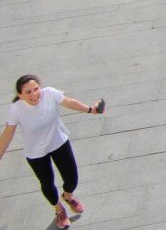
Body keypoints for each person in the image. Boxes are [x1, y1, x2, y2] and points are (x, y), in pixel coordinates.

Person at [0, 75, 105, 229]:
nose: (34, 94)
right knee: (47, 183)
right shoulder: (16, 110)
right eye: (28, 92)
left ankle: (68, 196)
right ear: (20, 95)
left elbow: (69, 103)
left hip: (58, 142)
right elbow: (8, 133)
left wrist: (91, 109)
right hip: (36, 153)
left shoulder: (50, 93)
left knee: (72, 178)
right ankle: (59, 210)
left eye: (36, 89)